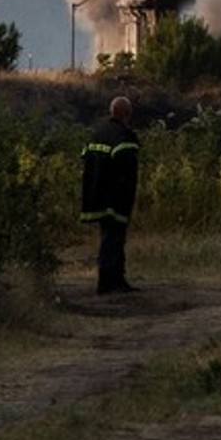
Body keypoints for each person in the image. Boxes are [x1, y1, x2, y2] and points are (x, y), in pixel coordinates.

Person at [80, 96, 141, 294]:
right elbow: (127, 172)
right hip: (116, 198)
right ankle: (108, 282)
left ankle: (116, 280)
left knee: (109, 236)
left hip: (96, 195)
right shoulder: (124, 137)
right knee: (114, 239)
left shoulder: (97, 133)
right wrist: (127, 197)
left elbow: (87, 161)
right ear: (126, 114)